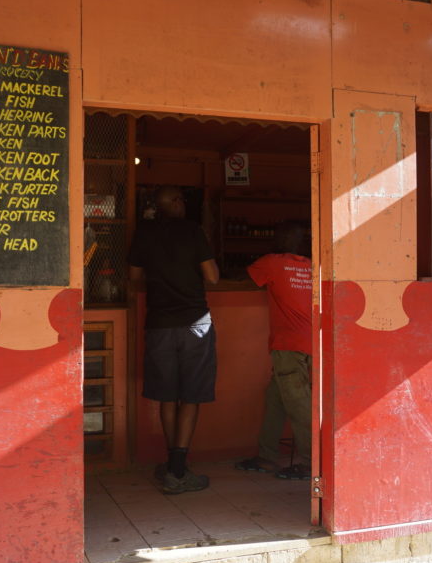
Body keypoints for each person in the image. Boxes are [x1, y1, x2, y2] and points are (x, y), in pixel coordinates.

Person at [129, 186, 220, 495]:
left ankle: (172, 468)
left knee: (168, 396)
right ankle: (178, 471)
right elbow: (213, 277)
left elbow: (134, 274)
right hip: (195, 325)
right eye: (181, 199)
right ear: (177, 204)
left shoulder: (144, 233)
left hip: (159, 325)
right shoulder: (193, 231)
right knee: (191, 397)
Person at [236, 222, 312, 480]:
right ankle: (267, 456)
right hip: (312, 343)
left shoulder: (271, 262)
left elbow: (242, 279)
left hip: (288, 345)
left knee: (299, 404)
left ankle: (312, 463)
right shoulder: (313, 266)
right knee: (275, 399)